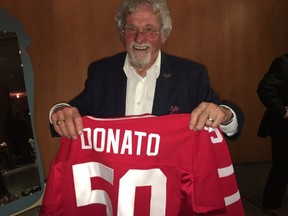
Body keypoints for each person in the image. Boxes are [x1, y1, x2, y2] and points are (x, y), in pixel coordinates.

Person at [49, 0, 242, 141]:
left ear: (163, 35)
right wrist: (59, 112)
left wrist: (225, 115)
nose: (139, 39)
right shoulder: (101, 74)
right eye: (131, 29)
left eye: (150, 30)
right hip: (116, 187)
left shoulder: (190, 75)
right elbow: (72, 112)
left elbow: (230, 119)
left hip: (169, 188)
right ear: (122, 34)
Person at [257, 54, 288, 215]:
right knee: (282, 165)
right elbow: (264, 88)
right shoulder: (283, 62)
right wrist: (282, 111)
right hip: (282, 125)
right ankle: (270, 204)